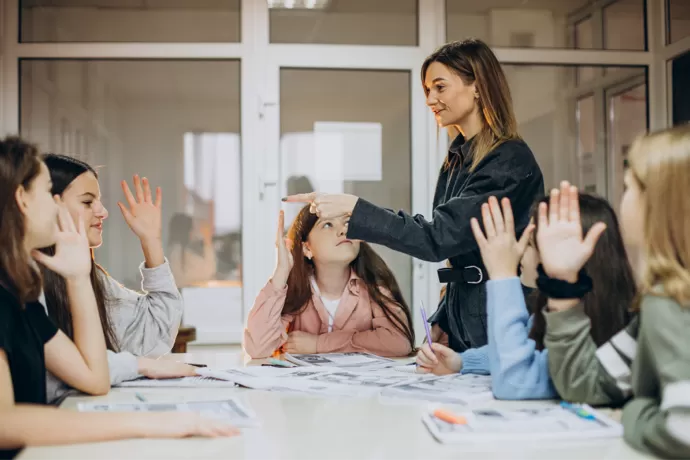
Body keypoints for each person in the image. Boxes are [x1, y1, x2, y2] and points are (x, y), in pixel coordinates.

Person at [284, 38, 544, 352]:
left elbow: (439, 236)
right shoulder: (458, 158)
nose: (430, 99)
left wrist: (355, 209)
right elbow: (461, 252)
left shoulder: (508, 160)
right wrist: (443, 320)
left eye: (440, 87)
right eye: (427, 90)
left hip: (497, 317)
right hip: (467, 318)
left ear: (477, 86)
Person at [0, 137, 237, 460]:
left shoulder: (20, 295)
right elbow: (5, 421)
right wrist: (148, 423)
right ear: (21, 199)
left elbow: (94, 378)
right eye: (47, 193)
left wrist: (79, 276)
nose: (102, 211)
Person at [541, 128, 690, 458]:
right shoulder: (662, 297)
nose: (621, 197)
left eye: (629, 187)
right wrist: (564, 281)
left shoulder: (668, 300)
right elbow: (584, 384)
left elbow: (683, 430)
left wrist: (634, 412)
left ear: (659, 203)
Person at [416, 194, 635, 401]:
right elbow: (521, 348)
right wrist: (461, 361)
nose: (520, 251)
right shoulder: (550, 309)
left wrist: (503, 274)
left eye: (529, 243)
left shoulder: (587, 326)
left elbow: (515, 380)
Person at [40, 154, 194, 403]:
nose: (103, 211)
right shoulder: (25, 283)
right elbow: (75, 367)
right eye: (88, 202)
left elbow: (156, 332)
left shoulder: (92, 278)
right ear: (48, 205)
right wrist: (138, 365)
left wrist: (151, 241)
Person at [243, 207, 415, 359]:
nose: (343, 231)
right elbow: (258, 348)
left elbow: (398, 342)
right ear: (306, 248)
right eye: (327, 224)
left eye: (348, 223)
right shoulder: (296, 290)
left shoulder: (373, 287)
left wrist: (319, 344)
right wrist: (281, 272)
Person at [167, 212, 217, 288]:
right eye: (192, 228)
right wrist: (207, 241)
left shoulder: (176, 250)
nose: (194, 232)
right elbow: (209, 271)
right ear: (186, 231)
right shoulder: (177, 253)